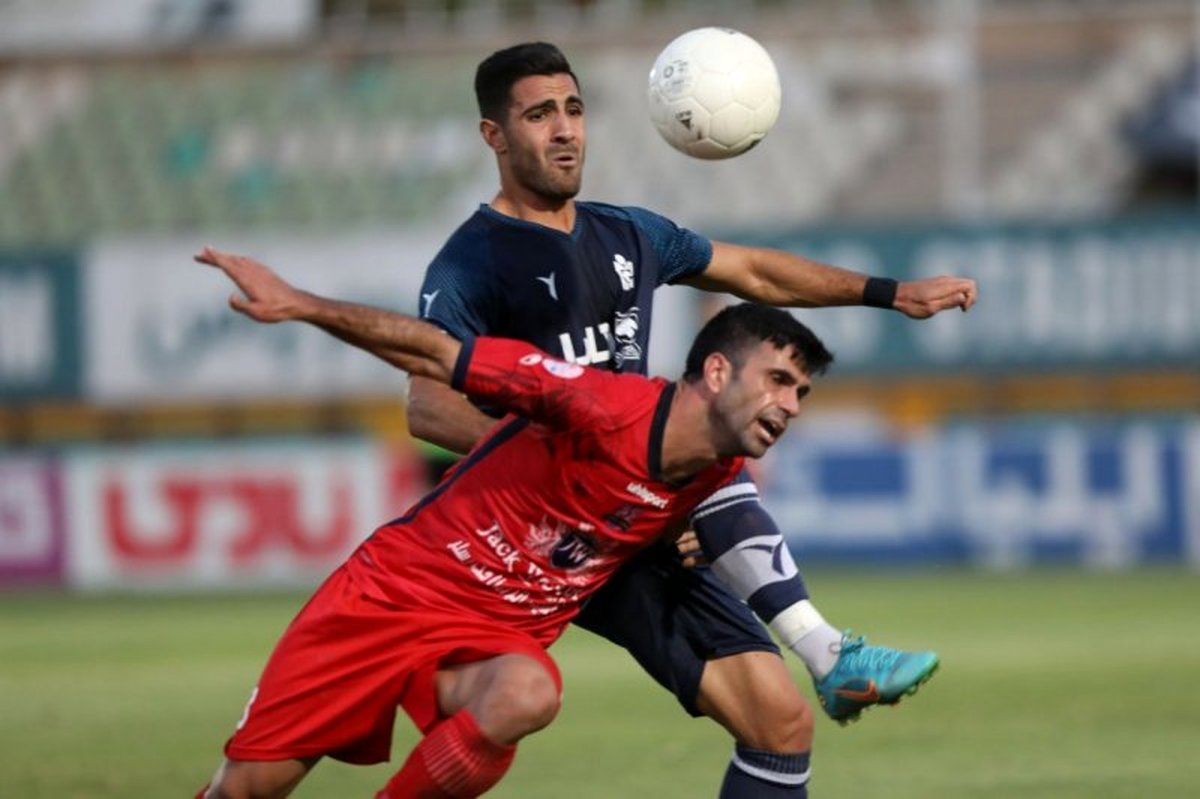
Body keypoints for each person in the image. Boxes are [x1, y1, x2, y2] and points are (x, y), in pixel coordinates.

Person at [405, 41, 977, 796]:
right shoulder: (472, 262)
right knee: (334, 733)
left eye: (574, 109)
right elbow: (427, 401)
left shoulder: (628, 235)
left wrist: (889, 292)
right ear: (495, 136)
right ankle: (824, 646)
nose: (566, 129)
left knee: (779, 725)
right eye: (540, 115)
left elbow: (755, 272)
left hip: (631, 509)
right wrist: (565, 469)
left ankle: (826, 652)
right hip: (538, 531)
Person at [192, 245, 834, 798]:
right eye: (778, 380)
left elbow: (731, 535)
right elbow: (438, 356)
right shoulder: (597, 404)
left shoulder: (716, 474)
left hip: (490, 640)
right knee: (247, 789)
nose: (790, 405)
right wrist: (302, 304)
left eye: (800, 392)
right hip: (390, 599)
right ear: (717, 372)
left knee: (529, 693)